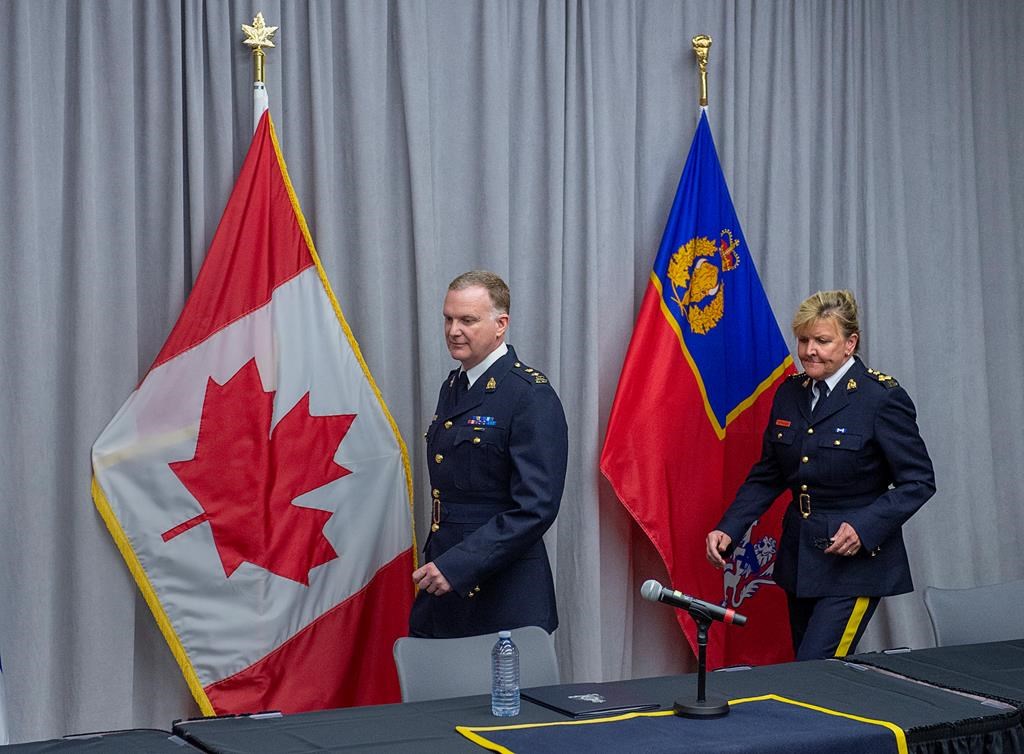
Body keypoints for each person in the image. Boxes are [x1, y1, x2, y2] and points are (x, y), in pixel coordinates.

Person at [706, 290, 935, 661]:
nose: (810, 350)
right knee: (807, 673)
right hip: (801, 556)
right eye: (803, 340)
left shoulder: (880, 398)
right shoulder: (790, 393)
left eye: (822, 341)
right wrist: (730, 528)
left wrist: (864, 526)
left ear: (850, 344)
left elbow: (919, 480)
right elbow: (769, 474)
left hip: (854, 563)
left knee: (818, 668)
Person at [409, 270, 568, 638]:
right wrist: (449, 565)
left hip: (502, 592)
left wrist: (459, 565)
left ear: (501, 325)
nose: (453, 330)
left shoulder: (529, 394)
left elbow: (536, 508)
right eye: (448, 319)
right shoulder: (454, 385)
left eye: (467, 320)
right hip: (447, 579)